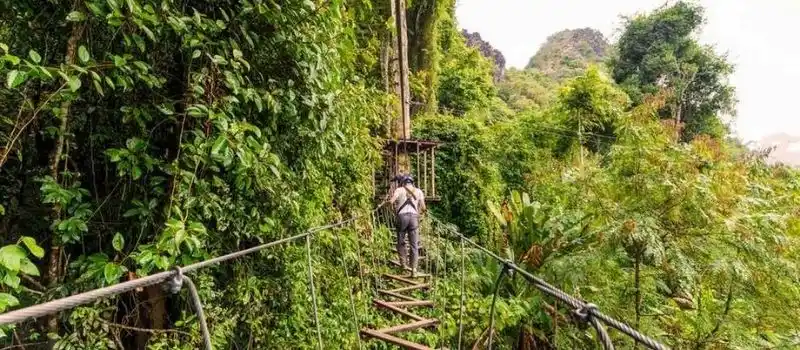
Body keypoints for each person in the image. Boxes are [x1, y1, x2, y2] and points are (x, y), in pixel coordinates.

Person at [388, 174, 426, 276]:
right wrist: (419, 215)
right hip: (414, 218)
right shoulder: (418, 191)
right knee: (414, 244)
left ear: (403, 183)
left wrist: (393, 210)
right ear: (412, 183)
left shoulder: (399, 190)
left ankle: (403, 264)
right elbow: (423, 207)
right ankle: (414, 269)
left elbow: (391, 201)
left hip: (401, 217)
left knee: (401, 241)